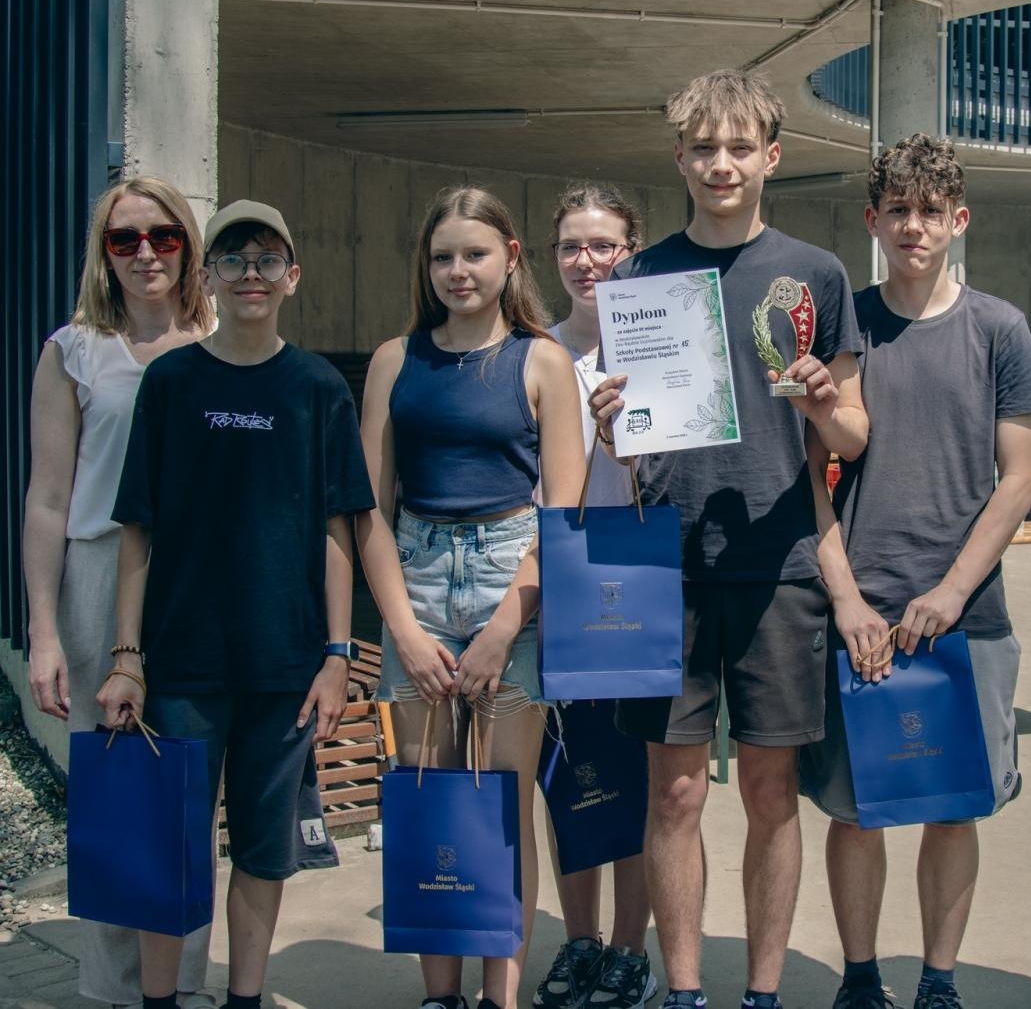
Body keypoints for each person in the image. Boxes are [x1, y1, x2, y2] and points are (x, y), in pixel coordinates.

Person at [587, 68, 867, 1009]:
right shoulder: (638, 278)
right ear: (679, 158)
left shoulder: (816, 275)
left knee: (769, 793)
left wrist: (827, 405)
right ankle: (681, 991)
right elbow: (630, 444)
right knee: (673, 796)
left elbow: (854, 435)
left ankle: (760, 991)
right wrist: (609, 422)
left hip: (778, 560)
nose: (721, 163)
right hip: (665, 565)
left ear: (771, 158)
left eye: (739, 147)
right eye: (704, 147)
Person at [94, 199, 375, 1009]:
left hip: (283, 666)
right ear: (206, 274)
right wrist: (126, 660)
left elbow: (336, 532)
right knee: (167, 844)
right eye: (231, 260)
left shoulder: (318, 387)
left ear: (291, 276)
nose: (249, 276)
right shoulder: (171, 383)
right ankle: (157, 1002)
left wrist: (334, 655)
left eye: (265, 262)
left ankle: (245, 998)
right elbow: (137, 531)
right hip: (179, 664)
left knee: (262, 847)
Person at [798, 134, 1031, 1009]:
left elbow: (1018, 478)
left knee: (953, 807)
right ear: (873, 221)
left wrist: (949, 591)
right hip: (863, 613)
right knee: (855, 808)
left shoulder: (999, 329)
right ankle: (861, 977)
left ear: (958, 220)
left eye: (930, 211)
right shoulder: (846, 329)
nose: (914, 226)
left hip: (965, 616)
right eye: (898, 210)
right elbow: (812, 482)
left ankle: (938, 980)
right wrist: (847, 600)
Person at [356, 186, 586, 1009]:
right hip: (414, 580)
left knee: (500, 803)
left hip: (510, 583)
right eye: (443, 255)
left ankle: (502, 997)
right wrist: (402, 632)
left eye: (475, 253)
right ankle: (440, 996)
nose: (459, 270)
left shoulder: (541, 361)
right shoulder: (395, 360)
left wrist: (503, 626)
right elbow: (367, 512)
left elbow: (560, 514)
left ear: (511, 257)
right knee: (426, 796)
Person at [21, 175, 216, 1009]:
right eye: (125, 239)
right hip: (102, 572)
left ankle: (183, 988)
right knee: (116, 790)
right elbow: (49, 498)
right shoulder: (73, 350)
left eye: (163, 236)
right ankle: (111, 990)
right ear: (104, 254)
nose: (146, 254)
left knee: (191, 790)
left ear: (189, 245)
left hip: (201, 577)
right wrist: (46, 631)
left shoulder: (222, 339)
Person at [531, 182, 656, 1009]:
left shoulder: (659, 344)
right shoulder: (531, 349)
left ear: (631, 250)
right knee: (568, 769)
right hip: (558, 573)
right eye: (573, 246)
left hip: (643, 571)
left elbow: (679, 472)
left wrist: (629, 436)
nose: (588, 261)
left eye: (604, 244)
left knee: (643, 771)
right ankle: (577, 941)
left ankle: (627, 949)